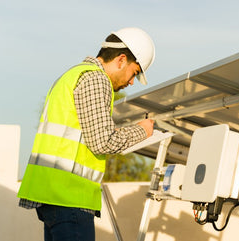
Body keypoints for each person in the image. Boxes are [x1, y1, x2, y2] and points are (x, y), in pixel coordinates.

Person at [17, 27, 156, 241]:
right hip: (69, 198)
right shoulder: (95, 79)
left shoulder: (73, 75)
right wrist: (143, 130)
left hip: (52, 197)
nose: (130, 82)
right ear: (121, 60)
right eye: (134, 73)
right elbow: (102, 142)